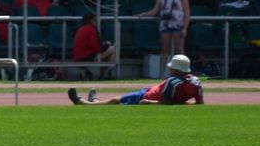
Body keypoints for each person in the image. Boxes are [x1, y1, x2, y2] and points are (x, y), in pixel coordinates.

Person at [69, 53, 203, 105]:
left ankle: (84, 103)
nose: (170, 69)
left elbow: (165, 102)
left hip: (145, 95)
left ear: (176, 70)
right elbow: (199, 103)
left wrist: (148, 102)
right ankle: (95, 101)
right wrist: (183, 103)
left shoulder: (172, 81)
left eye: (172, 68)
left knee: (116, 100)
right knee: (115, 101)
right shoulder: (196, 82)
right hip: (149, 92)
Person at [138, 0, 191, 70]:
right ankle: (162, 73)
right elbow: (155, 11)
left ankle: (183, 71)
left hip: (178, 25)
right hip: (165, 25)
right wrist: (143, 14)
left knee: (179, 50)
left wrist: (185, 28)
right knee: (164, 49)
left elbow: (187, 13)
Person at [69, 11, 116, 78]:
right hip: (86, 57)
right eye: (95, 19)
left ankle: (87, 72)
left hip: (78, 57)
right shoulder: (91, 29)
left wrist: (104, 45)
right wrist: (107, 45)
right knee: (113, 48)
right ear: (91, 20)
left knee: (107, 50)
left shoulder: (81, 29)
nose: (97, 21)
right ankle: (105, 74)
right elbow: (98, 49)